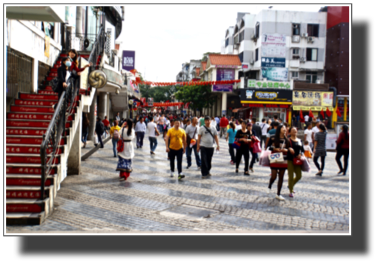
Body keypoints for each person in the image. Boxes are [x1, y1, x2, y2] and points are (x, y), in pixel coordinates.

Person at [266, 124, 290, 200]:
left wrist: (286, 150)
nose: (285, 129)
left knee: (281, 177)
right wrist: (275, 149)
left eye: (285, 128)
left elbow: (289, 149)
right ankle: (270, 185)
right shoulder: (273, 138)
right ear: (279, 129)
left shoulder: (287, 140)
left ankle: (278, 194)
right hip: (274, 159)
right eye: (283, 128)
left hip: (284, 159)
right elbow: (268, 147)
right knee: (274, 176)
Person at [287, 126, 304, 198]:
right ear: (290, 132)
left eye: (295, 130)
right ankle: (291, 191)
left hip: (297, 160)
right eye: (293, 130)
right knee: (290, 176)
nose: (294, 131)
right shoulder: (288, 140)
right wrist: (289, 148)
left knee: (299, 176)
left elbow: (302, 149)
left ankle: (290, 185)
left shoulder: (299, 140)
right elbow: (284, 147)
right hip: (290, 159)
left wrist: (301, 154)